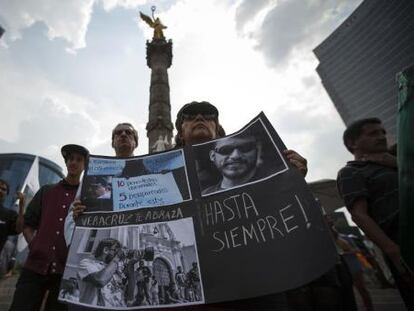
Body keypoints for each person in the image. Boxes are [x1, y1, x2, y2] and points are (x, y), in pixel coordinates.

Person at [170, 101, 308, 311]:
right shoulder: (166, 176)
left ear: (218, 131)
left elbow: (278, 217)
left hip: (259, 281)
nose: (200, 118)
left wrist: (293, 180)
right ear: (180, 134)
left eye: (209, 116)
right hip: (206, 287)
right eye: (189, 116)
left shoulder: (252, 168)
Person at [337, 117, 414, 309]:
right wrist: (394, 251)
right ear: (352, 143)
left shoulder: (399, 160)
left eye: (382, 133)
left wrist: (397, 163)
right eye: (373, 133)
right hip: (404, 240)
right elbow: (359, 215)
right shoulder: (351, 171)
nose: (381, 137)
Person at [9, 144, 89, 311]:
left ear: (84, 166)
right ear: (66, 163)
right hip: (34, 267)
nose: (73, 162)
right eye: (70, 159)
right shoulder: (47, 191)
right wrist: (34, 244)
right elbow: (28, 224)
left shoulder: (86, 198)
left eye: (79, 160)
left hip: (65, 272)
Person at [65, 122, 139, 244]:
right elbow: (71, 215)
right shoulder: (94, 173)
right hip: (100, 243)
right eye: (118, 133)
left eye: (128, 132)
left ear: (135, 142)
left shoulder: (149, 172)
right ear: (113, 143)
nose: (123, 134)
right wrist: (76, 215)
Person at [77, 238, 126, 307]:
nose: (117, 254)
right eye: (115, 251)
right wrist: (117, 257)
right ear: (105, 250)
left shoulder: (113, 267)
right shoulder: (86, 263)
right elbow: (100, 280)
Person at [0, 179, 24, 254]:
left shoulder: (9, 215)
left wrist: (21, 206)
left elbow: (19, 228)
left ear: (6, 194)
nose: (0, 190)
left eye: (3, 189)